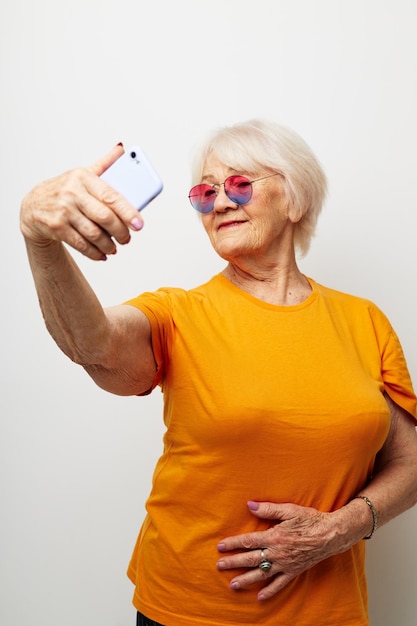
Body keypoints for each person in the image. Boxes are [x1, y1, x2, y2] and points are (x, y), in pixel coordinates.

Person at [20, 119, 417, 626]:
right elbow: (93, 344)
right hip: (189, 612)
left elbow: (409, 464)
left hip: (328, 614)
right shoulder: (179, 314)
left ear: (296, 200)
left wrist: (339, 529)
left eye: (239, 185)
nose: (221, 203)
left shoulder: (365, 320)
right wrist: (40, 241)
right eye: (206, 193)